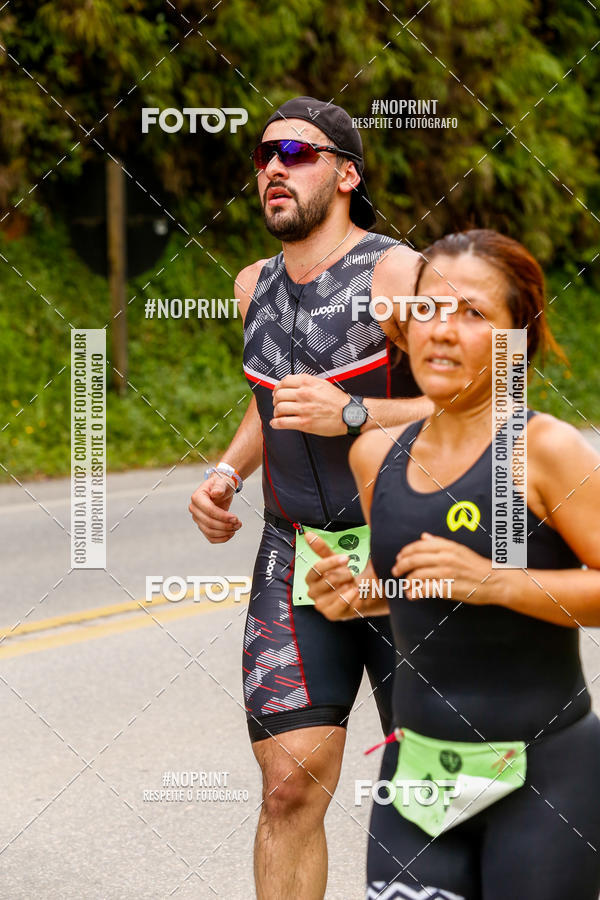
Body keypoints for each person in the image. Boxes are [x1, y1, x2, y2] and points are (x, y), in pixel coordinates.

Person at [306, 229, 600, 899]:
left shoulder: (544, 448)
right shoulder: (376, 455)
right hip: (419, 780)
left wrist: (499, 582)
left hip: (545, 777)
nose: (443, 331)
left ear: (513, 340)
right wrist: (359, 596)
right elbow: (415, 585)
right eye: (429, 308)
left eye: (473, 313)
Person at [189, 96, 432, 899]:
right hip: (296, 550)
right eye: (263, 156)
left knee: (441, 787)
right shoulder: (249, 285)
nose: (273, 168)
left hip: (409, 551)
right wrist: (228, 473)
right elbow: (269, 404)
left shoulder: (397, 274)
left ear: (347, 173)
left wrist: (354, 412)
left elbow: (487, 395)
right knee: (289, 783)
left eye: (296, 152)